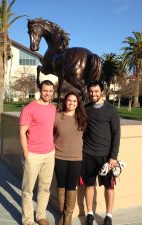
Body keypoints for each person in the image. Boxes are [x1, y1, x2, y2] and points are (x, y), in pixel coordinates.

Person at [81, 80, 121, 225]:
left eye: (96, 91)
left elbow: (116, 133)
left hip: (106, 157)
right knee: (89, 185)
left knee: (109, 187)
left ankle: (109, 216)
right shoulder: (86, 109)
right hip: (88, 154)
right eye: (91, 91)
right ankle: (90, 213)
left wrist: (113, 157)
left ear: (102, 91)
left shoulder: (111, 110)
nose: (93, 94)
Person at [19, 80, 56, 225]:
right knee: (28, 191)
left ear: (53, 91)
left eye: (50, 91)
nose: (47, 93)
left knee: (45, 188)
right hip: (33, 154)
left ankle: (40, 216)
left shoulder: (53, 108)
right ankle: (27, 220)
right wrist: (26, 154)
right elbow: (22, 132)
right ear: (40, 90)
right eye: (45, 90)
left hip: (49, 154)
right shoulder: (29, 109)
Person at [54, 91, 87, 225]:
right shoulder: (57, 117)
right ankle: (62, 213)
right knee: (61, 185)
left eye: (74, 101)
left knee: (71, 186)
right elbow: (48, 133)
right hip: (59, 156)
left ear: (78, 103)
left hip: (76, 158)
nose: (71, 103)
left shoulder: (82, 118)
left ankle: (68, 216)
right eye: (69, 100)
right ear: (65, 102)